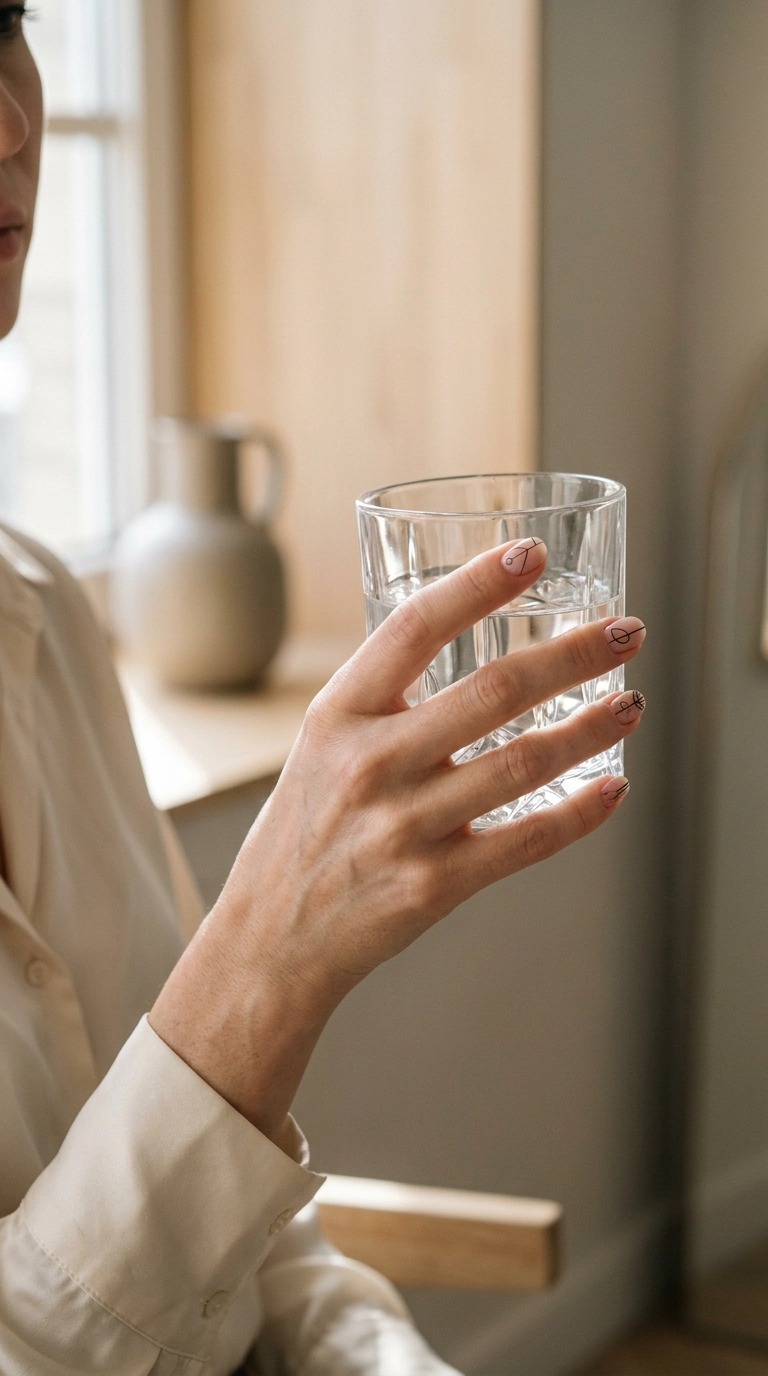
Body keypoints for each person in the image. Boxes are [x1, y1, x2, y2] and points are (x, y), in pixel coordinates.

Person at [0, 7, 647, 1373]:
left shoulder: (45, 611)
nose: (11, 126)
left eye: (4, 22)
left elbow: (248, 1233)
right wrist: (261, 978)